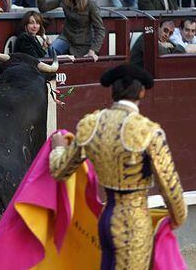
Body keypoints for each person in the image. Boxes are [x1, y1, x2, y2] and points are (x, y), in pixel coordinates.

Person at [49, 64, 187, 269]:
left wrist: (58, 149)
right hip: (134, 222)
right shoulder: (148, 131)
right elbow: (169, 185)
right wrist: (179, 217)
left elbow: (59, 170)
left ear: (113, 92)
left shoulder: (92, 124)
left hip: (105, 220)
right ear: (141, 92)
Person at [36, 0, 105, 61]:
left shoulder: (90, 3)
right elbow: (43, 8)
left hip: (83, 43)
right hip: (66, 37)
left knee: (76, 64)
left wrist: (93, 50)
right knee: (52, 50)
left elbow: (100, 29)